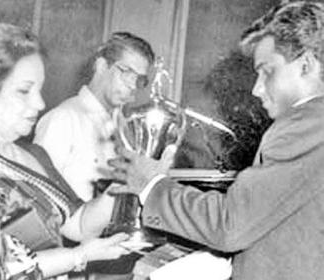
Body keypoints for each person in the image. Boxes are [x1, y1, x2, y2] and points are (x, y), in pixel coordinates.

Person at [109, 1, 324, 280]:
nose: (257, 89)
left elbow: (230, 225)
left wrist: (151, 185)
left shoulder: (306, 125)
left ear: (306, 65)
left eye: (267, 71)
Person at [0, 22, 131, 280]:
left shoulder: (34, 155)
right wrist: (77, 257)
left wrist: (124, 189)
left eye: (39, 89)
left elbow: (77, 223)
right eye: (24, 91)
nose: (40, 103)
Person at [33, 32, 155, 201]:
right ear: (101, 66)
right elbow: (36, 194)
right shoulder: (64, 119)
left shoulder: (123, 129)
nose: (133, 86)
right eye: (128, 73)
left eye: (139, 80)